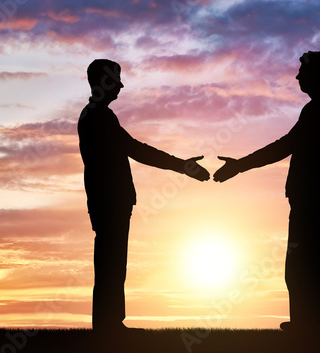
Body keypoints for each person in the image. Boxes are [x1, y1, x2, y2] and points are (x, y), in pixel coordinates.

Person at [214, 51, 320, 336]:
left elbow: (285, 145)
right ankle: (307, 322)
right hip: (310, 196)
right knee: (302, 258)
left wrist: (240, 166)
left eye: (302, 72)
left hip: (310, 197)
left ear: (317, 75)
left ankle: (310, 325)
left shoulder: (319, 110)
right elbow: (289, 145)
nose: (297, 76)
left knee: (301, 260)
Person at [78, 59, 210, 334]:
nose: (121, 85)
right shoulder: (100, 116)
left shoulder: (96, 115)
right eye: (116, 79)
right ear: (103, 82)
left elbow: (133, 148)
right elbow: (136, 149)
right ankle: (109, 325)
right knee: (111, 263)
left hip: (107, 200)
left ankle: (111, 323)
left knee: (111, 262)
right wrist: (182, 166)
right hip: (109, 201)